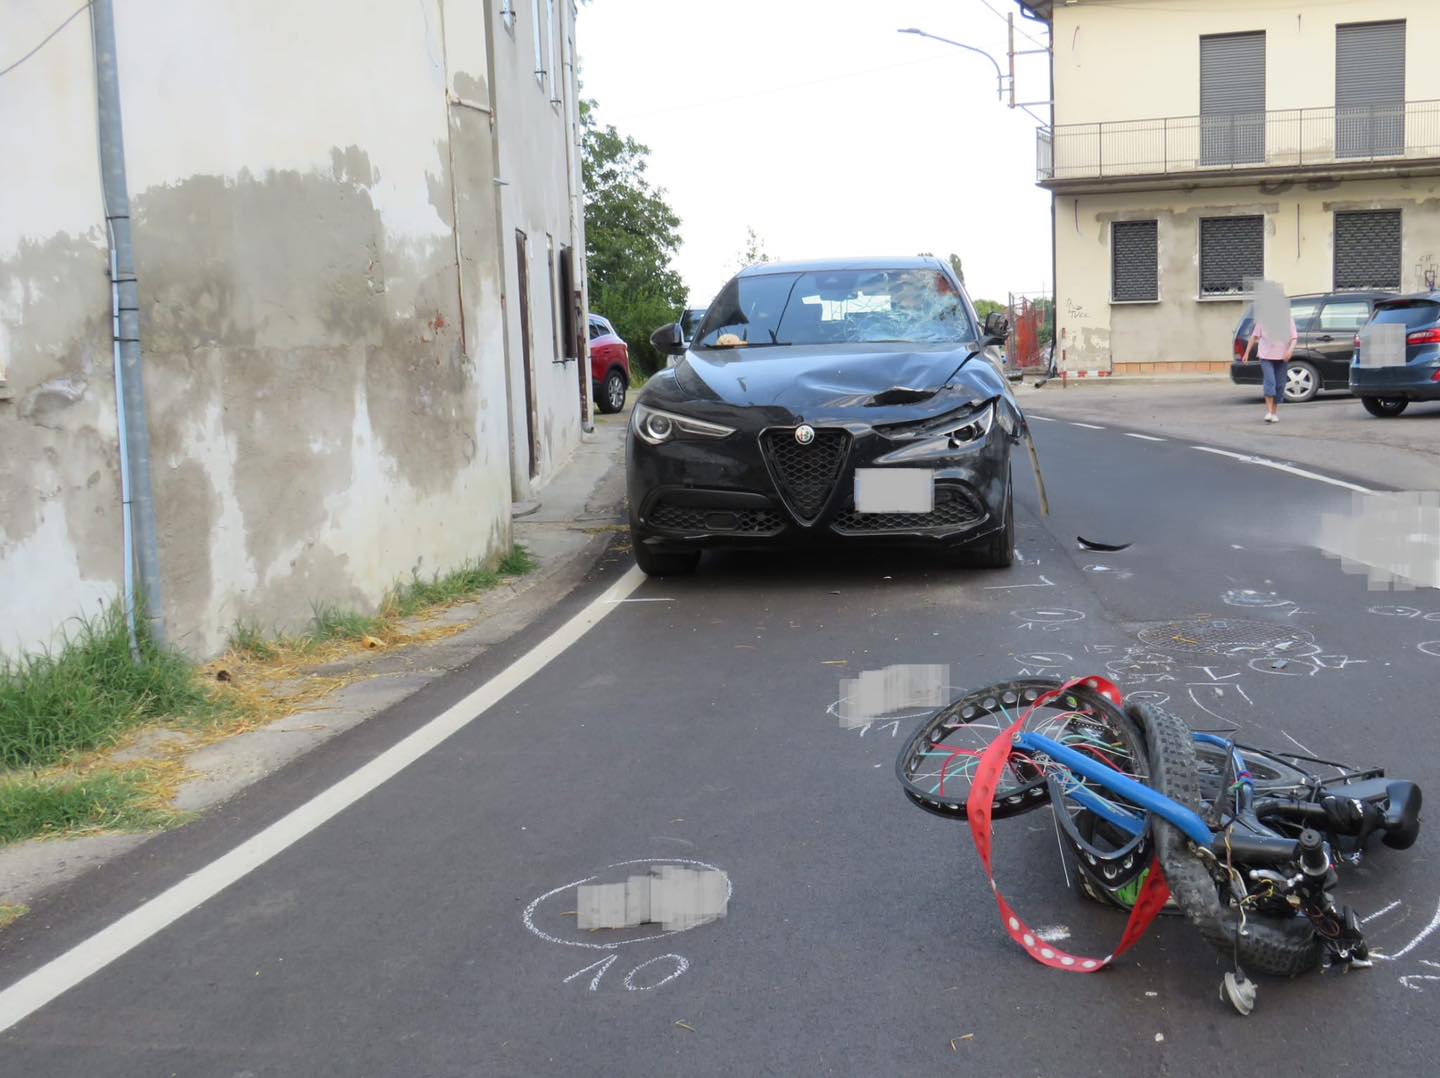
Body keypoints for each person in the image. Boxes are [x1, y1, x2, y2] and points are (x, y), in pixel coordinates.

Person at [1241, 306, 1298, 423]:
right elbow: (1254, 336)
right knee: (1270, 382)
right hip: (1266, 356)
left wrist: (1290, 350)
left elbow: (1294, 338)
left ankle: (1274, 413)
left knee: (1280, 386)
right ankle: (1269, 412)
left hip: (1282, 357)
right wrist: (1246, 353)